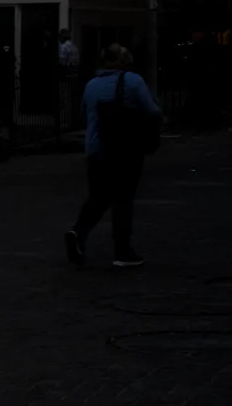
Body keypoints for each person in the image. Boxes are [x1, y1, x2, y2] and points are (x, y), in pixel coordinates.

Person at [65, 44, 162, 268]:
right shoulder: (133, 81)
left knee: (98, 196)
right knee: (123, 198)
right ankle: (122, 249)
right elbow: (152, 110)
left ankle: (78, 231)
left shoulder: (91, 85)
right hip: (125, 149)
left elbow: (83, 115)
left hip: (95, 149)